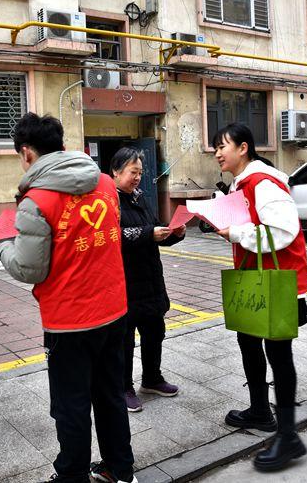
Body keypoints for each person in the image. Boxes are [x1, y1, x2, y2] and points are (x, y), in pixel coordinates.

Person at [0, 113, 137, 483]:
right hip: (114, 310)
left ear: (27, 153)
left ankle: (72, 475)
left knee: (71, 404)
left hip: (70, 321)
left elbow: (29, 269)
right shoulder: (105, 183)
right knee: (111, 394)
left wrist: (3, 243)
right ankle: (120, 470)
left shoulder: (36, 201)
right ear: (61, 144)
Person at [213, 122, 307, 471]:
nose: (217, 153)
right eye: (215, 147)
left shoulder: (263, 182)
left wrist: (236, 233)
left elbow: (283, 231)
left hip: (278, 281)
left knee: (279, 354)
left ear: (243, 148)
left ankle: (289, 436)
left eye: (222, 146)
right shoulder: (241, 184)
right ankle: (259, 410)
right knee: (248, 341)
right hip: (255, 279)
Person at [110, 147, 185, 413]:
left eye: (140, 173)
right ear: (116, 171)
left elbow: (153, 228)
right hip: (126, 281)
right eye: (133, 172)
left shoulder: (140, 197)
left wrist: (173, 233)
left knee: (155, 332)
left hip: (151, 279)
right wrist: (148, 234)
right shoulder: (108, 201)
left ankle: (152, 378)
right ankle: (124, 387)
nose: (138, 178)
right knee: (125, 339)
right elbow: (113, 235)